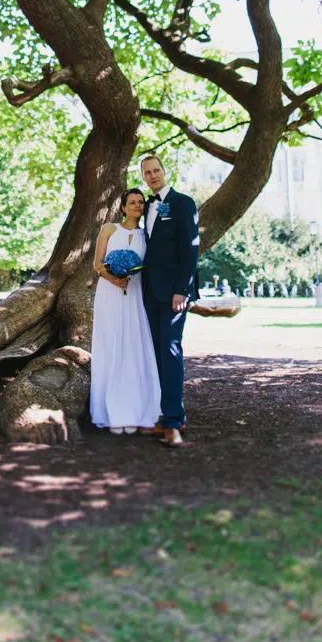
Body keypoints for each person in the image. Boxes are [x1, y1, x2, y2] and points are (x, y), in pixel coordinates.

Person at [140, 155, 200, 448]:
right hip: (150, 291)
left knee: (171, 350)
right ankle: (166, 416)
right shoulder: (146, 206)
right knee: (156, 354)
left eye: (156, 171)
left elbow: (191, 250)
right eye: (147, 173)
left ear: (165, 172)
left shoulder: (182, 203)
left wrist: (182, 290)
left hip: (174, 293)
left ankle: (173, 423)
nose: (152, 176)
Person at [90, 188, 161, 435]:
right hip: (109, 294)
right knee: (111, 348)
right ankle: (109, 412)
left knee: (133, 348)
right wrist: (113, 278)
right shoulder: (109, 229)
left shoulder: (147, 235)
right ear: (122, 207)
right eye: (132, 202)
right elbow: (97, 264)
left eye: (141, 202)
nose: (137, 205)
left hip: (134, 295)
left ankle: (133, 410)